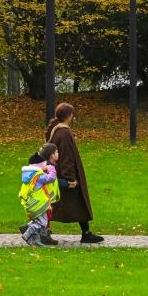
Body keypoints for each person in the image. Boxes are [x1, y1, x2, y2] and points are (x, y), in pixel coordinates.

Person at [46, 103, 104, 244]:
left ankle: (86, 233)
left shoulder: (58, 130)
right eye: (72, 114)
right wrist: (70, 178)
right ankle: (40, 231)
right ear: (68, 116)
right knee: (52, 205)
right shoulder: (64, 133)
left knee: (72, 203)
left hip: (61, 174)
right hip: (66, 176)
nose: (74, 117)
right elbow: (66, 157)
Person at [20, 143, 60, 247]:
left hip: (32, 203)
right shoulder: (39, 176)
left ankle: (35, 241)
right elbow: (50, 178)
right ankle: (28, 233)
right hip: (40, 204)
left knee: (38, 221)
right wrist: (51, 169)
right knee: (41, 223)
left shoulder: (29, 175)